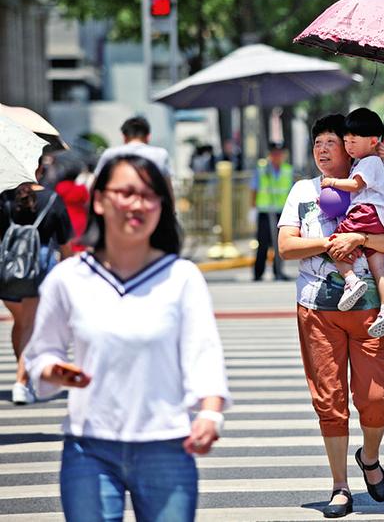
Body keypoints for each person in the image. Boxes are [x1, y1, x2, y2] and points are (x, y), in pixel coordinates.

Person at [24, 154, 230, 522]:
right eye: (126, 193)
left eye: (150, 195)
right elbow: (40, 355)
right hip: (89, 448)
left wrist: (210, 413)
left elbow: (203, 352)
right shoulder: (68, 278)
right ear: (100, 200)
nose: (138, 204)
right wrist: (55, 372)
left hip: (167, 446)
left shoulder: (181, 277)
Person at [277, 114, 384, 518]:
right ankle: (339, 486)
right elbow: (285, 246)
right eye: (317, 143)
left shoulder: (370, 182)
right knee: (329, 400)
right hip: (317, 307)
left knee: (375, 398)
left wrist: (361, 238)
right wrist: (330, 242)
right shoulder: (302, 190)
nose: (322, 149)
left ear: (350, 146)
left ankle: (369, 458)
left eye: (330, 142)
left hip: (369, 308)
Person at [320, 108, 384, 338]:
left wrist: (332, 182)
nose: (349, 146)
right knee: (378, 267)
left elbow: (355, 185)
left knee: (335, 244)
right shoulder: (374, 161)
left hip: (365, 215)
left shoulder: (368, 162)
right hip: (381, 221)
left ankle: (351, 280)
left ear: (373, 141)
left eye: (353, 140)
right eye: (346, 141)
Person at [0, 160, 72, 405]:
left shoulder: (5, 198)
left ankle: (25, 373)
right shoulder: (52, 199)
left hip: (7, 272)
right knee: (30, 327)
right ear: (40, 170)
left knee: (20, 324)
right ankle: (21, 381)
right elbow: (65, 242)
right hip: (38, 269)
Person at [251, 142, 293, 281]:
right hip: (265, 210)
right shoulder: (262, 169)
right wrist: (252, 209)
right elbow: (254, 189)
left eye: (279, 153)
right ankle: (258, 273)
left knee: (280, 243)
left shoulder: (288, 170)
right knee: (262, 243)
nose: (277, 156)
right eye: (274, 153)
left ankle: (278, 271)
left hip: (281, 212)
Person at [95, 116, 173, 183]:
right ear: (148, 137)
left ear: (124, 137)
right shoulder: (160, 154)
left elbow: (96, 182)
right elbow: (167, 185)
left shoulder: (109, 154)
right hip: (149, 199)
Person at [54, 160, 89, 252]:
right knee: (77, 243)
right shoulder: (81, 189)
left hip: (65, 216)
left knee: (64, 242)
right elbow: (86, 201)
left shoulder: (60, 186)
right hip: (80, 218)